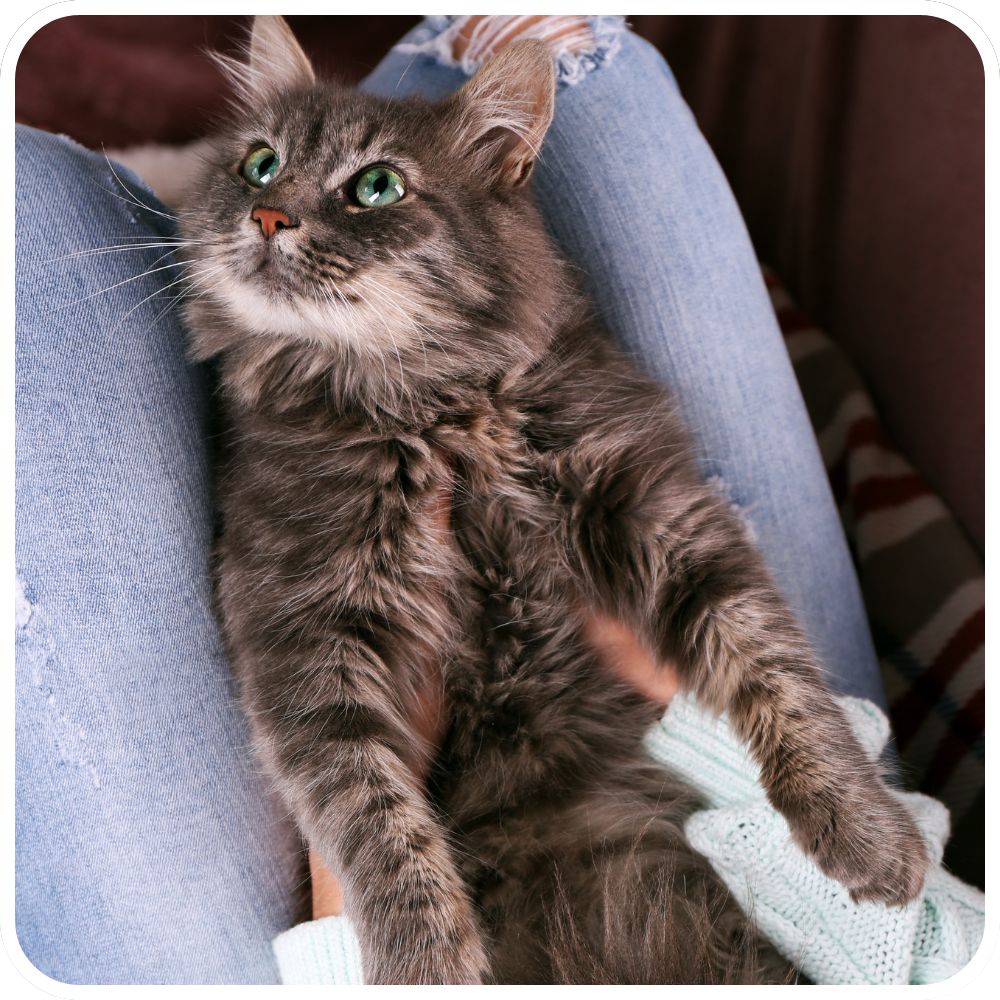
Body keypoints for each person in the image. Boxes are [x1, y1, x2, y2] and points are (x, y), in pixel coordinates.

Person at [15, 15, 891, 984]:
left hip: (404, 898)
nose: (278, 213)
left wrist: (380, 897)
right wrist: (770, 745)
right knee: (589, 63)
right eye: (262, 169)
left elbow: (311, 694)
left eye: (370, 192)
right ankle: (400, 86)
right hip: (710, 794)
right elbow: (691, 566)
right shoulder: (547, 376)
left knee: (28, 206)